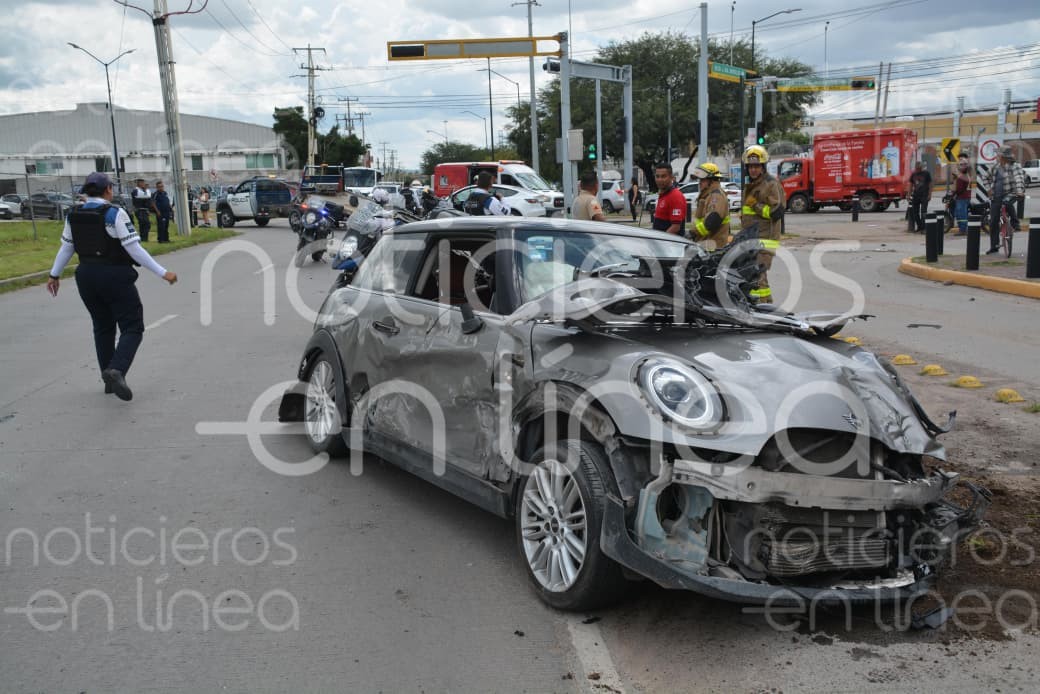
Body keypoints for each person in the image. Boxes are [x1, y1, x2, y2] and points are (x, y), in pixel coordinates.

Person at [46, 172, 178, 402]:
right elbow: (134, 249)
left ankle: (108, 380)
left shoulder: (72, 215)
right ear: (108, 190)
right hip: (114, 275)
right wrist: (162, 272)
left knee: (102, 327)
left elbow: (67, 248)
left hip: (86, 276)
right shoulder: (114, 213)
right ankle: (116, 370)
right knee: (133, 327)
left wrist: (54, 274)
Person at [740, 145, 785, 304]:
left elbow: (777, 212)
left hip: (766, 239)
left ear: (763, 167)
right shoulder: (752, 185)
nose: (753, 170)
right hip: (752, 238)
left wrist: (756, 206)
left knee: (759, 276)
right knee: (755, 276)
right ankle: (762, 306)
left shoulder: (771, 184)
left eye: (757, 166)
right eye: (751, 166)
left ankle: (764, 309)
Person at [982, 145, 1025, 254]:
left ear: (1004, 157)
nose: (997, 156)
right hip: (996, 195)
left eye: (998, 154)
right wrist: (988, 189)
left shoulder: (1015, 166)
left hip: (1011, 193)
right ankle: (994, 246)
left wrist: (1019, 191)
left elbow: (1018, 179)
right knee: (993, 221)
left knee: (1007, 202)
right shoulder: (995, 167)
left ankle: (1015, 223)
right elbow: (985, 177)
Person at [690, 162, 731, 249]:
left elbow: (712, 221)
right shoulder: (708, 196)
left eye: (703, 180)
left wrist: (693, 233)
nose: (699, 183)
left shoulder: (716, 196)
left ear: (712, 180)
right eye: (699, 180)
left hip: (713, 249)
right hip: (706, 246)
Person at [651, 163, 687, 235]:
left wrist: (660, 240)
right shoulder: (663, 194)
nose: (660, 180)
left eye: (663, 176)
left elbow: (676, 227)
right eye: (657, 176)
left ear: (671, 177)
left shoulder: (675, 196)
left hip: (669, 244)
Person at [907, 161, 932, 233]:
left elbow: (930, 184)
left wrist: (930, 194)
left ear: (921, 167)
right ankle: (919, 227)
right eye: (916, 168)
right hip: (916, 195)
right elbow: (911, 184)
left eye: (919, 168)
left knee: (923, 212)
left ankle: (924, 228)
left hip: (924, 195)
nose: (917, 169)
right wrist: (909, 194)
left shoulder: (926, 173)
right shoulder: (913, 174)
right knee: (915, 213)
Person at [952, 154, 972, 235]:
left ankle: (962, 229)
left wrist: (953, 194)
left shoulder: (962, 177)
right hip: (966, 197)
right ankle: (962, 228)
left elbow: (959, 189)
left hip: (962, 198)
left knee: (961, 214)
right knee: (962, 213)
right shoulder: (966, 175)